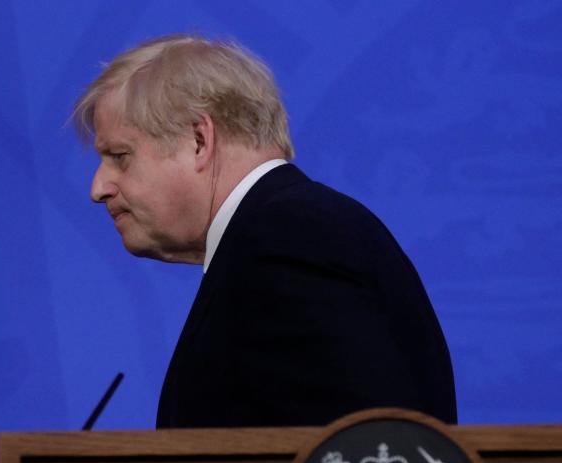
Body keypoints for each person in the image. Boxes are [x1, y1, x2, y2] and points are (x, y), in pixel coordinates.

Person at [72, 34, 457, 428]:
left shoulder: (289, 241)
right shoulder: (284, 233)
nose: (98, 188)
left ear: (199, 140)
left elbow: (364, 456)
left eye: (120, 157)